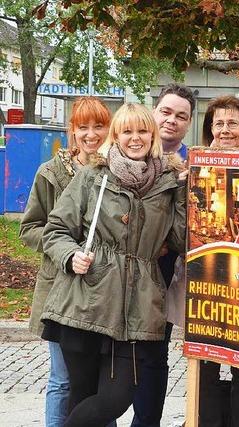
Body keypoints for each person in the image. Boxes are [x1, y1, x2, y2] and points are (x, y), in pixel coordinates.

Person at [39, 102, 187, 427]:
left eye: (142, 131)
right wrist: (70, 255)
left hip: (138, 305)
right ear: (116, 136)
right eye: (127, 131)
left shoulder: (168, 181)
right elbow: (56, 229)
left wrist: (186, 192)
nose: (136, 138)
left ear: (153, 135)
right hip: (86, 300)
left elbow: (180, 239)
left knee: (116, 399)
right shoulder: (93, 176)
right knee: (82, 394)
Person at [20, 97, 111, 427]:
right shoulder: (51, 173)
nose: (91, 134)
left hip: (102, 293)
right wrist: (66, 250)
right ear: (72, 130)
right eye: (83, 127)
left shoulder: (116, 171)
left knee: (101, 385)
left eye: (99, 126)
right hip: (59, 292)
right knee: (62, 380)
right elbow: (29, 228)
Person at [127, 83, 195, 427]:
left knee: (153, 354)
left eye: (181, 116)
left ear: (188, 123)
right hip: (119, 271)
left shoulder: (190, 167)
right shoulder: (128, 151)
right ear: (154, 112)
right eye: (166, 112)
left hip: (161, 271)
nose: (172, 120)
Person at [197, 95, 239, 427]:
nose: (224, 130)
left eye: (232, 123)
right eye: (218, 123)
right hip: (206, 279)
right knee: (206, 363)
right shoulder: (197, 165)